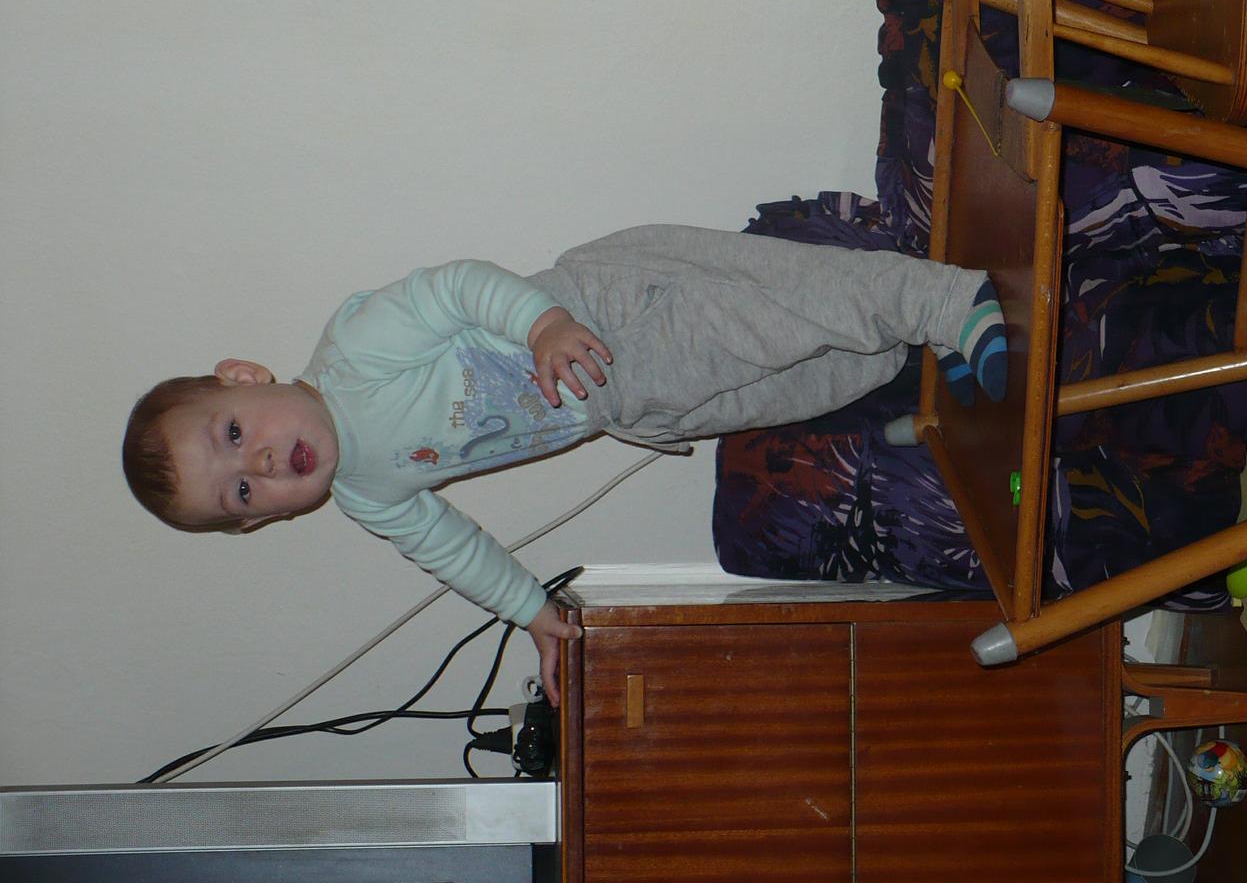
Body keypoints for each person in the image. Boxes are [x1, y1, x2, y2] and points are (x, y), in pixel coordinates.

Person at [121, 224, 1007, 702]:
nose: (263, 462)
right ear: (264, 519)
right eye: (244, 490)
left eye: (233, 434)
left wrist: (542, 326)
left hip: (610, 319)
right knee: (813, 381)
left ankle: (942, 299)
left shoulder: (354, 350)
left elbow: (453, 287)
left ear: (244, 376)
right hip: (628, 407)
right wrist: (534, 615)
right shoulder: (368, 494)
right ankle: (920, 344)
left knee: (780, 314)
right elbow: (452, 550)